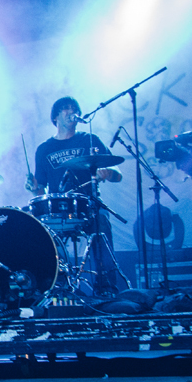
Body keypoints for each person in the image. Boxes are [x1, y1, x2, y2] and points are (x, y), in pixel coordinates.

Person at [26, 96, 123, 296]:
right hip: (57, 211)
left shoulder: (89, 140)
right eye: (65, 109)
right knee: (37, 230)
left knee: (101, 223)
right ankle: (53, 286)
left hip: (87, 206)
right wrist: (33, 187)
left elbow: (118, 174)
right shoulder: (44, 149)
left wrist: (108, 173)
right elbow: (40, 190)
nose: (71, 112)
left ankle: (105, 289)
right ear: (55, 117)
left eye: (73, 108)